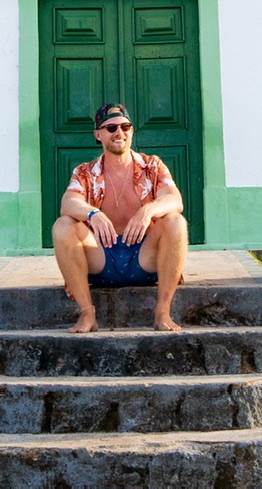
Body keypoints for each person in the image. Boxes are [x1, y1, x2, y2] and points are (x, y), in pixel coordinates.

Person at [52, 102, 188, 332]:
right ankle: (87, 314)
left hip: (144, 258)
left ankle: (162, 313)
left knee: (175, 221)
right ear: (98, 134)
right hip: (101, 259)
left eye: (125, 126)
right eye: (111, 128)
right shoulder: (85, 172)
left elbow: (175, 199)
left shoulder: (152, 165)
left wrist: (148, 210)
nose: (119, 133)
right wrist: (93, 214)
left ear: (131, 130)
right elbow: (68, 203)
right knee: (63, 225)